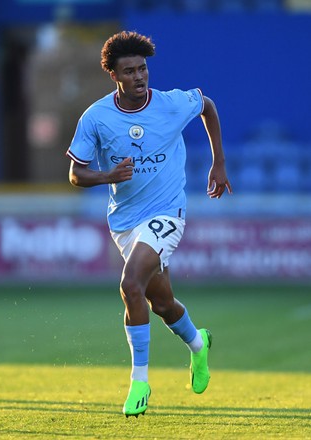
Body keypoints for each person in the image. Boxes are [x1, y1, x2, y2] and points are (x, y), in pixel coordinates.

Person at [66, 30, 232, 418]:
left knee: (129, 284)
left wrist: (218, 161)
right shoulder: (96, 117)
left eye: (143, 69)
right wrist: (109, 176)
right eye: (130, 71)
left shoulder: (172, 103)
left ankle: (139, 381)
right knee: (161, 303)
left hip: (168, 214)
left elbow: (206, 104)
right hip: (125, 222)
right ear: (114, 76)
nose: (140, 77)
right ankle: (197, 344)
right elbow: (76, 174)